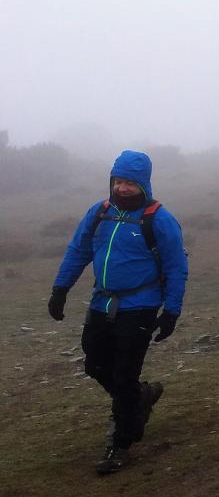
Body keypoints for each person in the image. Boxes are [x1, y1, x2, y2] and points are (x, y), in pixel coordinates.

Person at [48, 150, 188, 474]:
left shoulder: (159, 219)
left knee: (124, 373)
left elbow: (176, 267)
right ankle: (140, 397)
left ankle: (121, 441)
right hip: (102, 302)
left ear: (144, 184)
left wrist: (172, 311)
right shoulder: (99, 213)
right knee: (95, 363)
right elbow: (78, 250)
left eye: (130, 183)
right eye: (118, 181)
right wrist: (60, 289)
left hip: (140, 305)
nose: (122, 188)